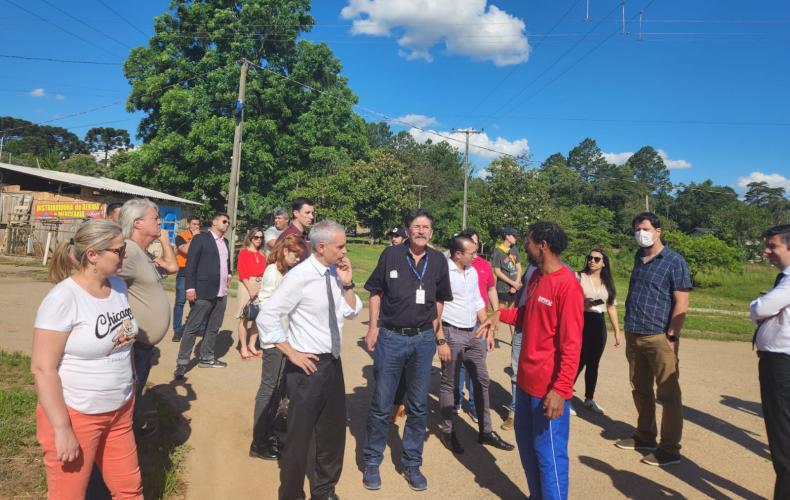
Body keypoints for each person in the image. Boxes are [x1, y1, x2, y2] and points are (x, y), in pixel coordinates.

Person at [31, 219, 143, 498]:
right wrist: (62, 429)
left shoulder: (118, 287)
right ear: (92, 254)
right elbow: (43, 368)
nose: (124, 255)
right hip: (76, 414)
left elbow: (123, 341)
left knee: (130, 491)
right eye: (118, 251)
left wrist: (131, 382)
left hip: (119, 410)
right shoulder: (62, 299)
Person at [258, 220, 362, 500]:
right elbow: (266, 315)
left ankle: (324, 490)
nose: (344, 251)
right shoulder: (300, 276)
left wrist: (348, 283)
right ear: (321, 246)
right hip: (306, 368)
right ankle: (291, 494)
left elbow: (351, 312)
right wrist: (290, 351)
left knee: (331, 434)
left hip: (332, 364)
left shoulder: (333, 273)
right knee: (299, 438)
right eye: (340, 246)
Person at [484, 221, 583, 500]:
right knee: (527, 449)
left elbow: (572, 344)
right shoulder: (537, 277)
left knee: (549, 455)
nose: (523, 245)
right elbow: (528, 316)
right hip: (525, 383)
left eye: (527, 241)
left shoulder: (568, 286)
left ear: (543, 245)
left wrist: (561, 389)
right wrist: (499, 315)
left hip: (547, 388)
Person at [362, 209, 453, 492]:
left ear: (431, 232)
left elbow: (440, 298)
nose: (421, 231)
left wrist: (434, 330)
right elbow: (375, 292)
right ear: (408, 229)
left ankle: (412, 463)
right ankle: (372, 461)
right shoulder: (391, 255)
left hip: (422, 341)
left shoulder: (438, 261)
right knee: (381, 403)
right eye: (416, 226)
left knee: (417, 405)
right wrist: (373, 327)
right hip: (391, 337)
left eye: (426, 227)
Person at [615, 212, 691, 467]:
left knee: (668, 394)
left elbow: (681, 302)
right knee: (640, 389)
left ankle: (670, 448)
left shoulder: (674, 261)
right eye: (636, 229)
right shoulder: (639, 257)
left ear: (658, 231)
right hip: (634, 332)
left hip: (659, 335)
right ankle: (645, 435)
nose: (640, 233)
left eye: (645, 228)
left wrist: (672, 335)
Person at [437, 234, 513, 454]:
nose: (476, 256)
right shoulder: (443, 273)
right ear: (458, 254)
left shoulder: (472, 272)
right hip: (452, 332)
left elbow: (478, 301)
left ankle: (485, 431)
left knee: (482, 380)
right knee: (449, 383)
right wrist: (440, 338)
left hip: (474, 333)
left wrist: (486, 327)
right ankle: (447, 430)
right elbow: (436, 307)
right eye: (472, 252)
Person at [118, 199, 178, 421]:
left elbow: (172, 267)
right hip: (133, 347)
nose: (160, 221)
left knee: (134, 398)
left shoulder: (143, 253)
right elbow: (102, 282)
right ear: (138, 223)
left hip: (142, 348)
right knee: (127, 403)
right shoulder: (129, 252)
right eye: (155, 217)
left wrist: (163, 240)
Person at [249, 235, 308, 461]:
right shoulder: (273, 271)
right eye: (294, 254)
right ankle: (258, 442)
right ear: (285, 251)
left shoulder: (286, 272)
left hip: (284, 339)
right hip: (274, 340)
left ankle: (267, 433)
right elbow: (264, 303)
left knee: (277, 389)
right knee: (269, 388)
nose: (296, 259)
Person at [751, 224, 790, 499]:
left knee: (783, 441)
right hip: (778, 363)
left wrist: (758, 305)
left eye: (772, 246)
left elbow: (761, 308)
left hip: (781, 366)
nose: (766, 252)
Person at [174, 212, 232, 379]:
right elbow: (191, 264)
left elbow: (226, 262)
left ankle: (207, 357)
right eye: (224, 221)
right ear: (214, 222)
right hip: (204, 290)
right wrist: (190, 288)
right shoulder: (201, 239)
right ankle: (182, 363)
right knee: (192, 327)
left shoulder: (225, 242)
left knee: (214, 327)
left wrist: (229, 274)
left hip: (221, 292)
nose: (227, 224)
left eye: (228, 222)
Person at [455, 228, 499, 423]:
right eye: (470, 245)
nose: (474, 249)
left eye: (476, 244)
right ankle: (455, 402)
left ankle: (474, 405)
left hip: (478, 324)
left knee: (477, 367)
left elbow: (490, 289)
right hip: (457, 324)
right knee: (458, 367)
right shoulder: (452, 265)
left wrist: (495, 316)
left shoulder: (484, 265)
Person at [574, 248, 622, 415]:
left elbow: (611, 307)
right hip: (580, 321)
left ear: (604, 263)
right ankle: (564, 396)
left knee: (593, 363)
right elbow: (569, 300)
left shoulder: (607, 282)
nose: (592, 261)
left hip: (598, 322)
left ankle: (589, 398)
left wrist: (617, 331)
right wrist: (583, 304)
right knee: (577, 361)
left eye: (596, 259)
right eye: (590, 258)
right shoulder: (578, 277)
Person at [236, 227, 266, 360]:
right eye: (256, 237)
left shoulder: (262, 254)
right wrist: (251, 289)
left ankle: (252, 344)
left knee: (258, 317)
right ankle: (243, 347)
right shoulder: (243, 252)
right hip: (247, 284)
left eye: (261, 237)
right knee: (245, 316)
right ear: (251, 237)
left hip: (261, 285)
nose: (259, 240)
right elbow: (242, 272)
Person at [172, 216, 201, 342]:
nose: (196, 227)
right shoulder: (180, 237)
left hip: (198, 273)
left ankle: (195, 328)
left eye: (198, 224)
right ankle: (177, 330)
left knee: (196, 302)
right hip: (184, 272)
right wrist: (195, 237)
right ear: (189, 224)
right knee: (180, 302)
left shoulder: (202, 237)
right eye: (194, 224)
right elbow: (186, 250)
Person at [491, 227, 522, 339]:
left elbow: (519, 268)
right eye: (514, 236)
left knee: (513, 313)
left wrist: (517, 283)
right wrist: (512, 283)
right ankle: (493, 337)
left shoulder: (514, 249)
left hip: (516, 287)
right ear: (507, 236)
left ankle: (513, 338)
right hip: (503, 288)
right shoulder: (498, 251)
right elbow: (497, 271)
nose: (516, 238)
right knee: (499, 313)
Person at [276, 197, 314, 262]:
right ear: (296, 213)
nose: (311, 217)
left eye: (312, 213)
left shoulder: (303, 235)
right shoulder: (288, 237)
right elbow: (279, 265)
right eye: (307, 213)